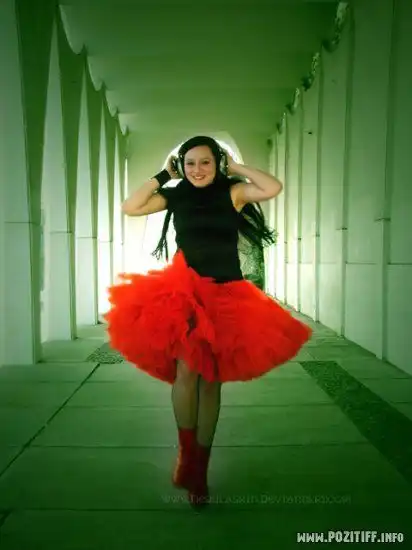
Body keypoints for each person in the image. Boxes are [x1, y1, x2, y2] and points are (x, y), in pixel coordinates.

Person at [104, 136, 312, 510]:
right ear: (181, 167)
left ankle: (200, 467)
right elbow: (130, 207)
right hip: (184, 294)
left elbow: (272, 187)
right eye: (190, 163)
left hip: (226, 296)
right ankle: (186, 456)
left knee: (211, 380)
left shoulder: (233, 193)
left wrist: (237, 167)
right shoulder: (176, 196)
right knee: (187, 371)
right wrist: (162, 175)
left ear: (217, 163)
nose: (197, 170)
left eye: (205, 162)